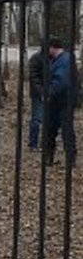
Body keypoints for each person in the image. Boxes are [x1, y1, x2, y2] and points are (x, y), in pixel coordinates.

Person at [41, 36, 78, 168]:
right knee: (51, 130)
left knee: (65, 130)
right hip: (59, 101)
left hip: (63, 101)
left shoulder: (65, 60)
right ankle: (49, 157)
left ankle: (69, 159)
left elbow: (61, 81)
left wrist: (48, 93)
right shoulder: (61, 59)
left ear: (52, 47)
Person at [28, 45, 47, 149]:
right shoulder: (36, 58)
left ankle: (45, 143)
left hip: (50, 91)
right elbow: (34, 78)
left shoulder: (53, 58)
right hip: (38, 94)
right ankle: (33, 143)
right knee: (37, 118)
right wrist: (41, 92)